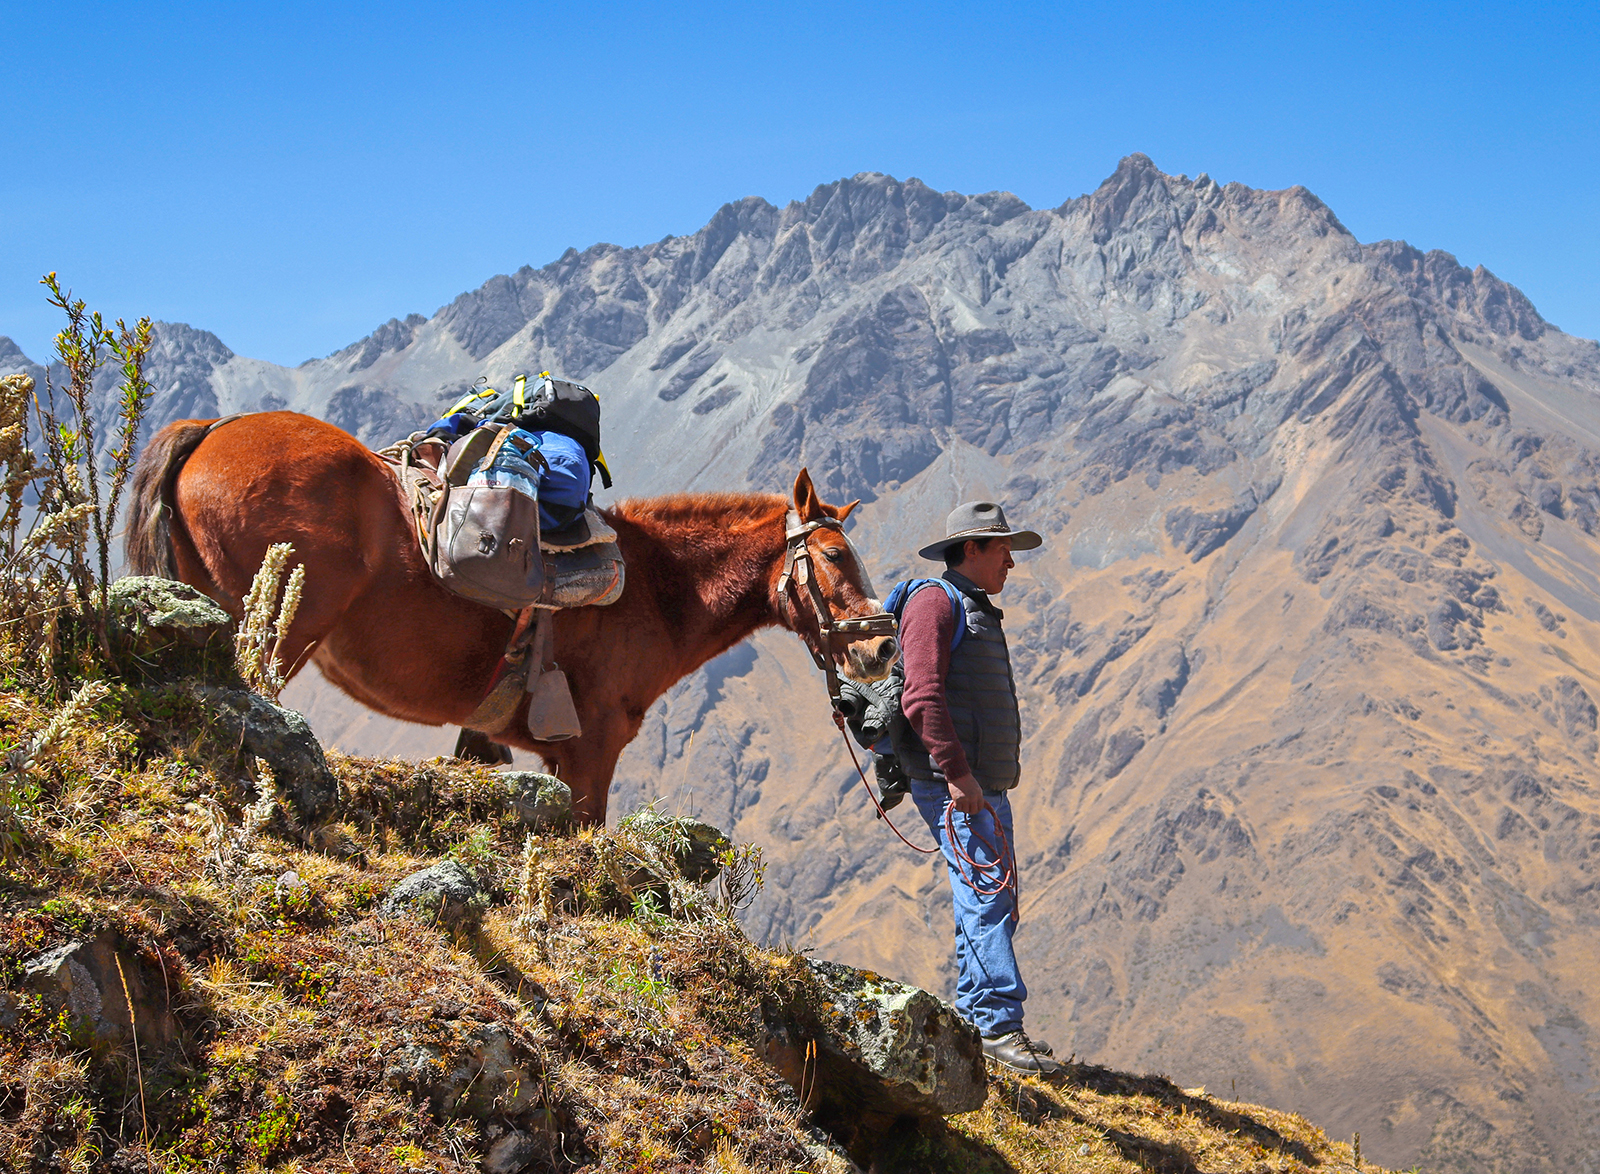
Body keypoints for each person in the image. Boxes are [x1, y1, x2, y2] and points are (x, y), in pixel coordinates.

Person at [893, 500, 1061, 1076]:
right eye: (1003, 549)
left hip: (978, 785)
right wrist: (958, 775)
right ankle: (996, 1026)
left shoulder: (971, 609)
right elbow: (921, 696)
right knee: (986, 894)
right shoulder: (935, 605)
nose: (1011, 561)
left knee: (990, 896)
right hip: (957, 786)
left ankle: (978, 1022)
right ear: (972, 549)